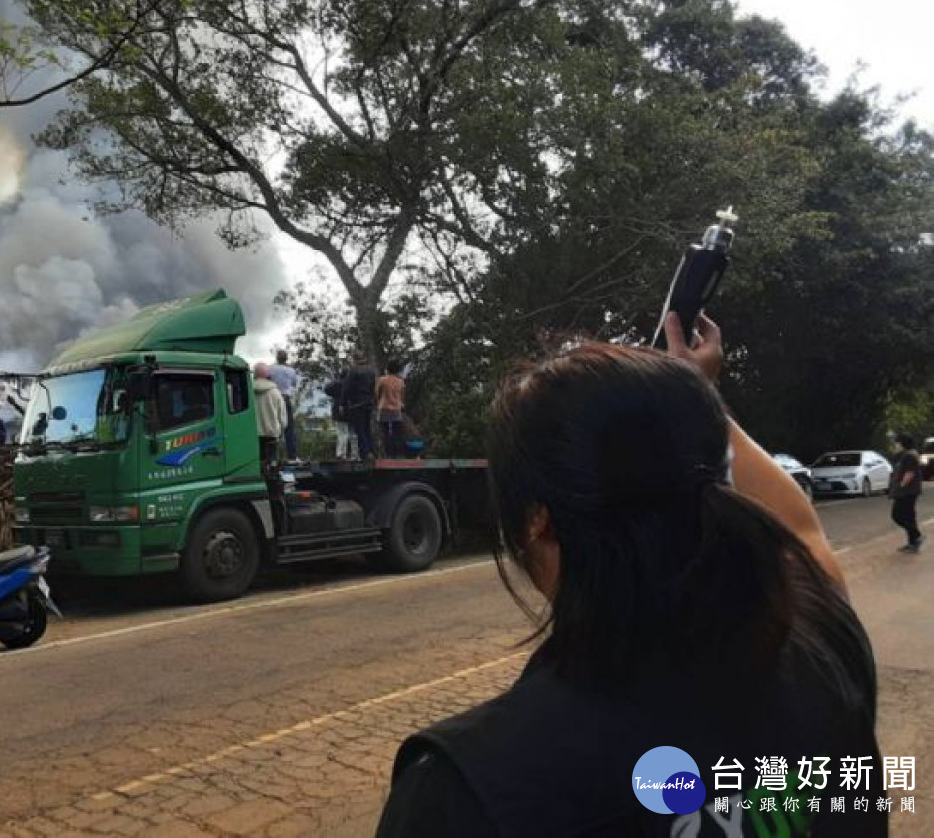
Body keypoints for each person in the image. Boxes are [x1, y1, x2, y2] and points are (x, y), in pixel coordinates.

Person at [377, 313, 885, 837]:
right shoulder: (823, 645)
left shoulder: (463, 791)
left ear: (535, 523)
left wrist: (694, 395)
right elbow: (801, 529)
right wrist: (698, 398)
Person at [890, 433, 924, 552]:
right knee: (909, 517)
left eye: (897, 442)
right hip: (907, 491)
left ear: (903, 443)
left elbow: (910, 473)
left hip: (907, 492)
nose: (895, 445)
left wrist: (901, 486)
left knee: (897, 515)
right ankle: (913, 543)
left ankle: (917, 535)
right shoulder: (904, 455)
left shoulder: (909, 456)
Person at [340, 351, 377, 461]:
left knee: (359, 430)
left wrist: (342, 403)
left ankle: (365, 454)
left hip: (357, 404)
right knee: (367, 429)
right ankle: (371, 451)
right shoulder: (371, 371)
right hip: (368, 403)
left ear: (354, 359)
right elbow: (373, 387)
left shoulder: (353, 371)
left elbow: (346, 388)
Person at [268, 349, 300, 463]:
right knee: (289, 428)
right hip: (285, 398)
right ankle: (292, 456)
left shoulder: (271, 368)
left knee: (272, 427)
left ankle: (272, 457)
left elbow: (268, 379)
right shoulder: (291, 371)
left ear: (277, 358)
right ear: (286, 358)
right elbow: (294, 384)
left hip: (273, 398)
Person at [253, 362, 287, 466]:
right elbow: (282, 417)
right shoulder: (275, 392)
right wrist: (282, 429)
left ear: (254, 374)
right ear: (268, 375)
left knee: (256, 464)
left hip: (253, 434)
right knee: (271, 465)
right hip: (271, 434)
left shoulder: (248, 390)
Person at [325, 368, 358, 461]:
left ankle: (341, 454)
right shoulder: (353, 385)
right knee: (353, 433)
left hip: (338, 411)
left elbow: (327, 389)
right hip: (352, 409)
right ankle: (355, 454)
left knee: (342, 432)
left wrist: (335, 380)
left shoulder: (336, 384)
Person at [376, 361, 406, 458]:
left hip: (384, 408)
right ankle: (397, 454)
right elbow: (402, 395)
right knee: (397, 433)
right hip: (396, 409)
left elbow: (377, 393)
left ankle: (388, 454)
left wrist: (379, 401)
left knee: (385, 433)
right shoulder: (401, 381)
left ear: (387, 369)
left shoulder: (382, 380)